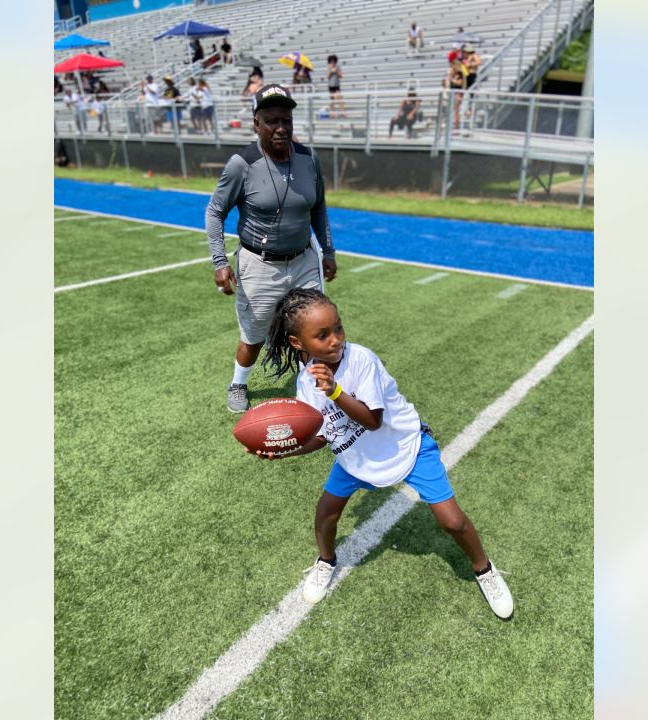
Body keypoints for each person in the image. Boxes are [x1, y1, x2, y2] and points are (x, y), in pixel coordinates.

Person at [250, 288, 515, 620]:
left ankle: (485, 569)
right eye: (322, 335)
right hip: (356, 456)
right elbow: (321, 435)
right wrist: (285, 451)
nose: (336, 340)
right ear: (297, 343)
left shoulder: (361, 360)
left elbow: (373, 420)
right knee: (326, 514)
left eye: (339, 328)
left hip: (405, 445)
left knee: (452, 520)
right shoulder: (306, 381)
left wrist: (334, 390)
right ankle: (326, 561)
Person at [205, 84, 338, 413]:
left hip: (305, 259)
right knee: (255, 336)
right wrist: (220, 262)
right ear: (256, 123)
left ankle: (313, 386)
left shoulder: (308, 158)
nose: (281, 128)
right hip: (260, 264)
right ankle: (238, 382)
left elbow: (318, 207)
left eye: (287, 120)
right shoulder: (242, 164)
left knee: (314, 328)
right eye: (272, 121)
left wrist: (329, 251)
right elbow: (215, 212)